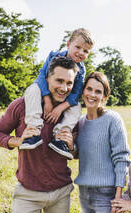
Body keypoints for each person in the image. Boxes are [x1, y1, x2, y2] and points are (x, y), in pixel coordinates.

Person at [0, 56, 79, 213]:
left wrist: (71, 146)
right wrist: (18, 141)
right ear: (47, 79)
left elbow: (77, 152)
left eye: (69, 83)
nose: (64, 88)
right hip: (27, 193)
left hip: (61, 192)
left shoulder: (71, 113)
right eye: (59, 81)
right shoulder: (22, 105)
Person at [74, 72, 131, 213]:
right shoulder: (80, 122)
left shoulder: (112, 120)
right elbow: (80, 153)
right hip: (84, 193)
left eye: (98, 91)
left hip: (107, 196)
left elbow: (121, 158)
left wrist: (118, 198)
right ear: (83, 91)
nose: (92, 94)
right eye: (89, 89)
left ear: (105, 96)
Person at [20, 28, 94, 161]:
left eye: (86, 51)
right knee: (32, 89)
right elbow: (42, 77)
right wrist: (47, 99)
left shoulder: (81, 71)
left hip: (64, 100)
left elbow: (76, 93)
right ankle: (33, 131)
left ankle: (60, 137)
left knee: (76, 107)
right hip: (45, 92)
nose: (81, 53)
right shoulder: (53, 56)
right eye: (78, 47)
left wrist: (60, 108)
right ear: (68, 44)